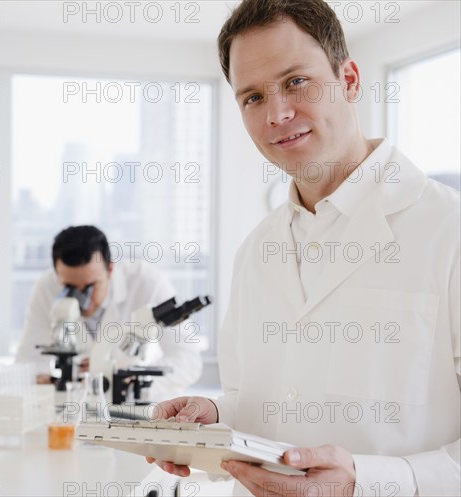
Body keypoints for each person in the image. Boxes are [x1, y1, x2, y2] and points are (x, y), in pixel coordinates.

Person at [150, 1, 460, 496]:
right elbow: (255, 400)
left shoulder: (450, 231)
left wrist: (368, 482)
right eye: (252, 97)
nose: (278, 114)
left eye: (296, 81)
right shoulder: (255, 251)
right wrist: (211, 418)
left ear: (351, 80)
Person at [16, 225, 203, 400]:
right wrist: (43, 378)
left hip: (138, 407)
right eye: (70, 288)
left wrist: (129, 378)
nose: (83, 300)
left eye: (90, 287)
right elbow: (28, 357)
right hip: (76, 405)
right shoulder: (46, 287)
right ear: (57, 274)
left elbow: (188, 360)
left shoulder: (147, 282)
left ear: (110, 269)